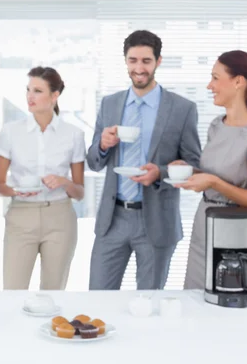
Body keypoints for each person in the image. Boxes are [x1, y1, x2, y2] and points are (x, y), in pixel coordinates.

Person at [86, 30, 201, 290]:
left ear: (158, 61)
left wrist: (159, 172)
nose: (139, 68)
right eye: (133, 60)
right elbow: (94, 162)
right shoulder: (110, 104)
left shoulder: (182, 109)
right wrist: (103, 145)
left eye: (146, 61)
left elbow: (194, 163)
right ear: (125, 61)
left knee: (150, 302)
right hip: (112, 219)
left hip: (157, 220)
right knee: (98, 298)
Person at [171, 50, 247, 288]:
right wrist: (190, 172)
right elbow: (215, 173)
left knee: (230, 310)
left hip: (237, 233)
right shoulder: (216, 126)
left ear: (238, 81)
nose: (209, 85)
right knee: (194, 304)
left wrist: (214, 183)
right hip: (204, 226)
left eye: (215, 77)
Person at [0, 66, 85, 290]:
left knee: (54, 292)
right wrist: (16, 191)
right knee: (13, 290)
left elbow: (80, 193)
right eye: (28, 90)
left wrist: (63, 182)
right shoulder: (10, 132)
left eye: (37, 91)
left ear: (55, 95)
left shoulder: (74, 134)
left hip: (60, 217)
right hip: (21, 215)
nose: (29, 96)